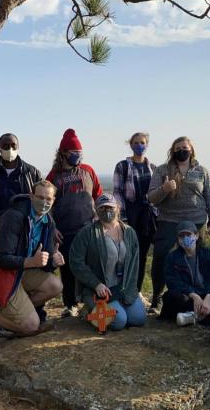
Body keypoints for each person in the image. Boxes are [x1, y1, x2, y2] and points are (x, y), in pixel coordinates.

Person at [0, 181, 64, 338]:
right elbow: (1, 258)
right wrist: (31, 262)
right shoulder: (14, 217)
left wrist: (52, 262)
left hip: (20, 271)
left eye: (48, 199)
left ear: (53, 200)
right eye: (40, 197)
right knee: (31, 325)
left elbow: (43, 261)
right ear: (31, 196)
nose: (44, 202)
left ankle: (18, 313)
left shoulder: (47, 221)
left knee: (55, 286)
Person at [147, 136, 210, 312]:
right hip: (169, 220)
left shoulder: (202, 171)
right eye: (178, 148)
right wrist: (164, 189)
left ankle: (201, 295)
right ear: (173, 151)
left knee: (199, 259)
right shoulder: (162, 170)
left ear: (191, 150)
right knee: (160, 256)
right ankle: (157, 296)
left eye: (185, 147)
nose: (182, 150)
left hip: (196, 222)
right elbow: (151, 198)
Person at [68, 194, 147, 330]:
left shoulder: (129, 233)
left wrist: (131, 291)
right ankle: (89, 310)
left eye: (110, 207)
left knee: (138, 318)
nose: (107, 211)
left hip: (123, 289)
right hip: (99, 291)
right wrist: (95, 284)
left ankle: (120, 306)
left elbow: (134, 265)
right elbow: (76, 261)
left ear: (118, 208)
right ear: (96, 210)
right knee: (119, 322)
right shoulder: (87, 233)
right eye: (102, 208)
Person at [47, 128, 102, 317]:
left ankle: (91, 302)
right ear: (63, 153)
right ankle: (70, 304)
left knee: (90, 267)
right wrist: (52, 228)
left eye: (79, 152)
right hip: (65, 230)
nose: (77, 156)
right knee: (68, 269)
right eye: (73, 153)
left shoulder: (88, 171)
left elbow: (99, 196)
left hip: (89, 229)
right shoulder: (54, 176)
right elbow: (46, 205)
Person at [112, 131, 157, 296]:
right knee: (127, 255)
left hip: (148, 215)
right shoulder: (122, 166)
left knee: (143, 255)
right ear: (130, 145)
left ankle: (137, 291)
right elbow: (117, 192)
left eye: (142, 142)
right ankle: (123, 290)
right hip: (130, 214)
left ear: (147, 144)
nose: (139, 145)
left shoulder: (153, 168)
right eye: (136, 142)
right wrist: (122, 217)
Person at [161, 221, 210, 326]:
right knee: (170, 297)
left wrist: (208, 296)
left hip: (207, 293)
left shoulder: (209, 254)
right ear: (178, 239)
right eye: (181, 236)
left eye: (188, 235)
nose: (185, 238)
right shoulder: (172, 257)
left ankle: (192, 316)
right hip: (187, 295)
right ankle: (201, 316)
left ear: (196, 235)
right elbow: (172, 282)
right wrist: (193, 295)